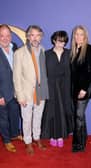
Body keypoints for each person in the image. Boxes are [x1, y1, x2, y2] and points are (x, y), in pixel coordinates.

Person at [13, 25, 49, 155]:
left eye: (38, 35)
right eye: (32, 35)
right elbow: (16, 76)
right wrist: (20, 95)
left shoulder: (43, 50)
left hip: (41, 91)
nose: (35, 38)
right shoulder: (19, 53)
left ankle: (37, 138)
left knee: (38, 117)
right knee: (27, 118)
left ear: (41, 37)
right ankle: (28, 142)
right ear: (28, 37)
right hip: (26, 92)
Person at [41, 31, 73, 147]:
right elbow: (42, 73)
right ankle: (52, 135)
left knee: (63, 111)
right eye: (59, 41)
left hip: (65, 86)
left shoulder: (70, 53)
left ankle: (61, 136)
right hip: (51, 86)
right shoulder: (46, 54)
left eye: (64, 41)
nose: (62, 43)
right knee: (52, 111)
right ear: (54, 40)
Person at [71, 25, 91, 152]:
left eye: (81, 34)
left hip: (83, 90)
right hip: (74, 89)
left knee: (79, 116)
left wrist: (84, 89)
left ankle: (79, 144)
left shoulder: (90, 49)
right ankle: (83, 138)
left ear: (85, 36)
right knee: (80, 116)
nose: (78, 36)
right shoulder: (74, 50)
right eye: (76, 34)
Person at [0, 24, 22, 153]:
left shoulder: (15, 47)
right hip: (2, 92)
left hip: (15, 91)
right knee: (3, 118)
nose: (5, 38)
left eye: (7, 35)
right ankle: (7, 140)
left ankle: (14, 134)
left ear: (11, 36)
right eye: (2, 35)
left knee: (15, 114)